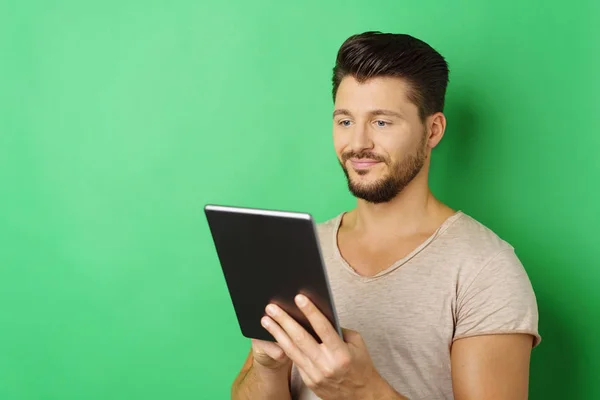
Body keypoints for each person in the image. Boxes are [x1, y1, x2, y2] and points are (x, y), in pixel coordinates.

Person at [231, 31, 541, 400]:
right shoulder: (297, 250)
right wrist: (269, 364)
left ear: (433, 130)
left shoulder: (485, 269)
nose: (358, 142)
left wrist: (364, 391)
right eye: (345, 121)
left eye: (382, 122)